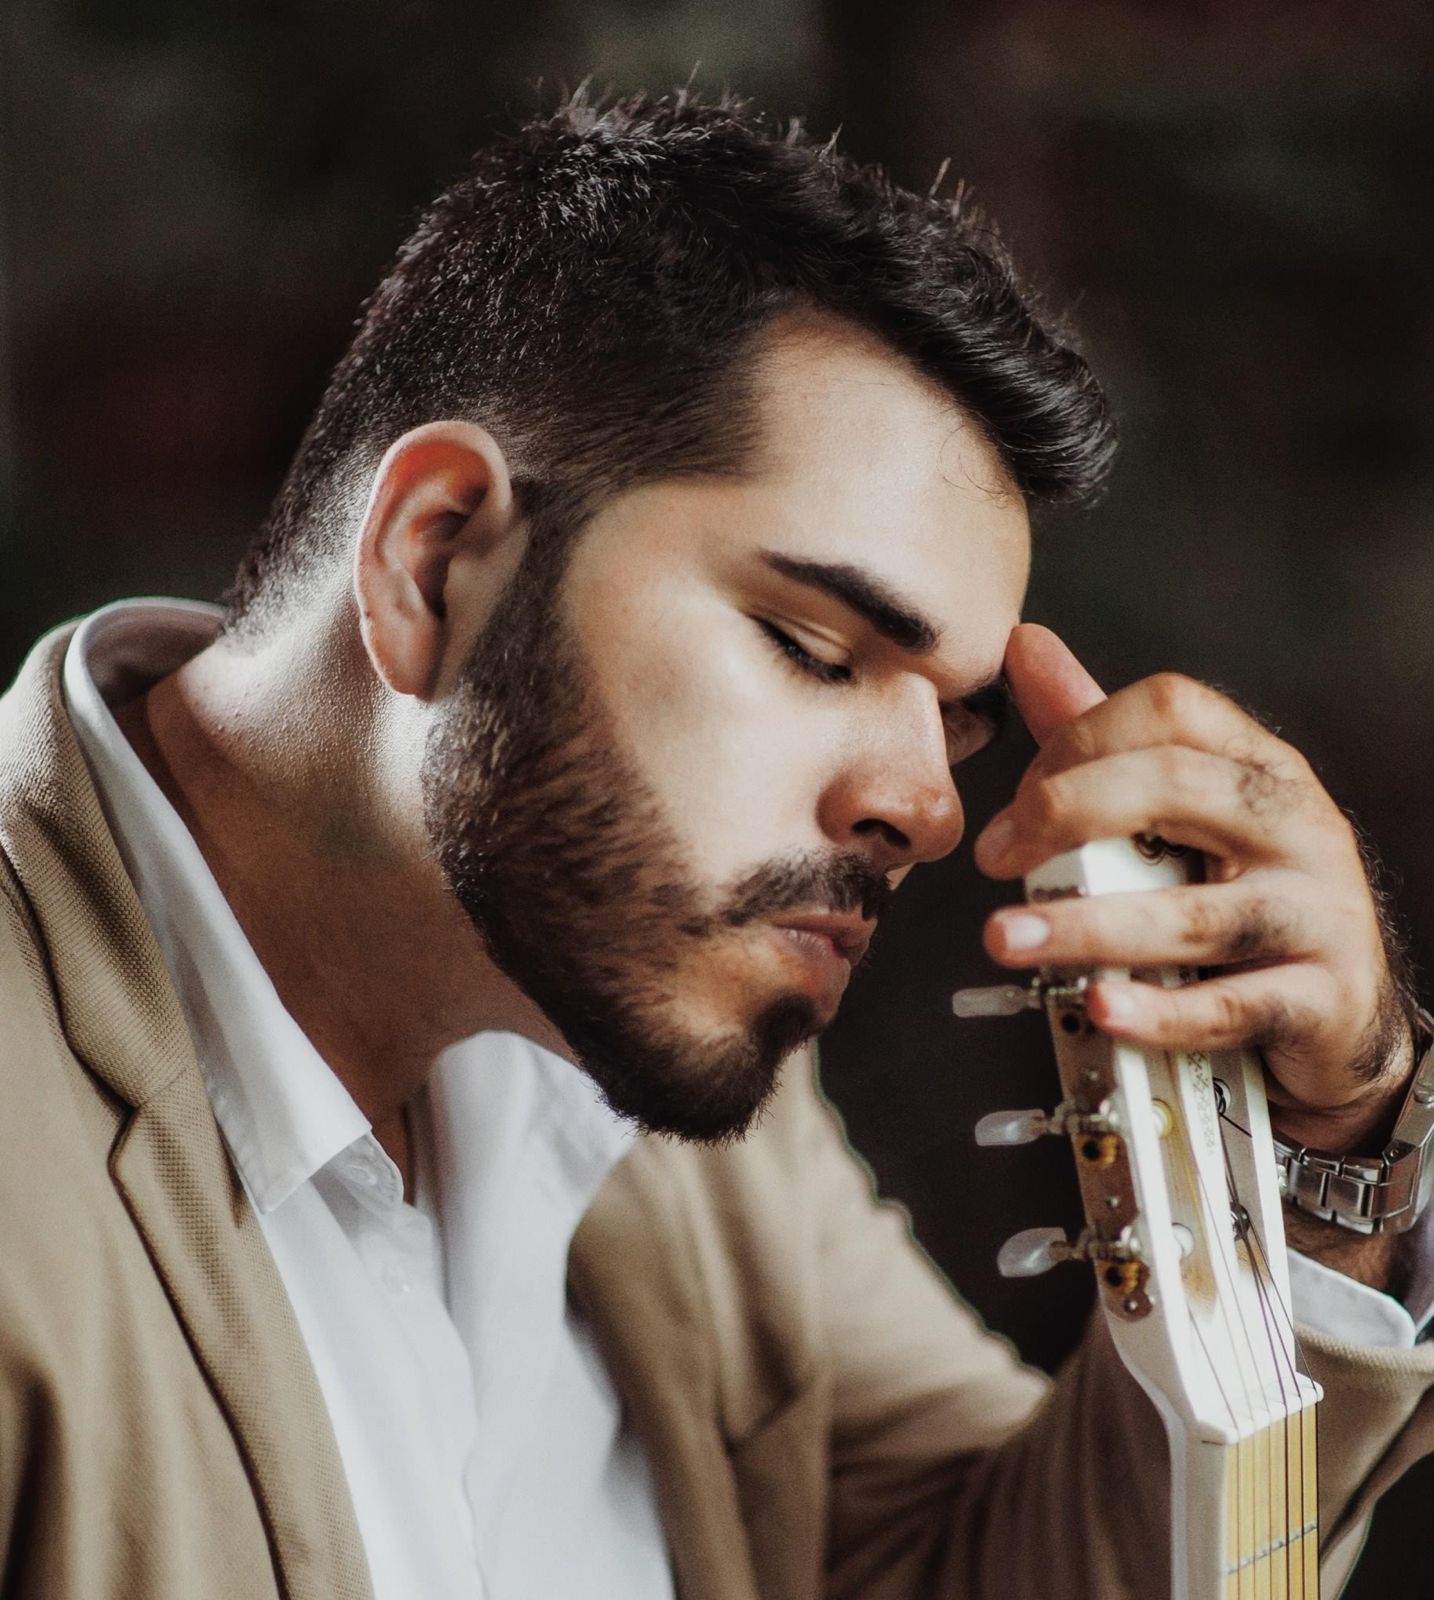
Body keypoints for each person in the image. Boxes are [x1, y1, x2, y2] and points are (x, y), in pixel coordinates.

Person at [2, 89, 1432, 1600]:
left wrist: (1338, 1152)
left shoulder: (638, 1034)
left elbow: (976, 1574)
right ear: (436, 558)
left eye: (953, 720)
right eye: (814, 649)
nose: (929, 811)